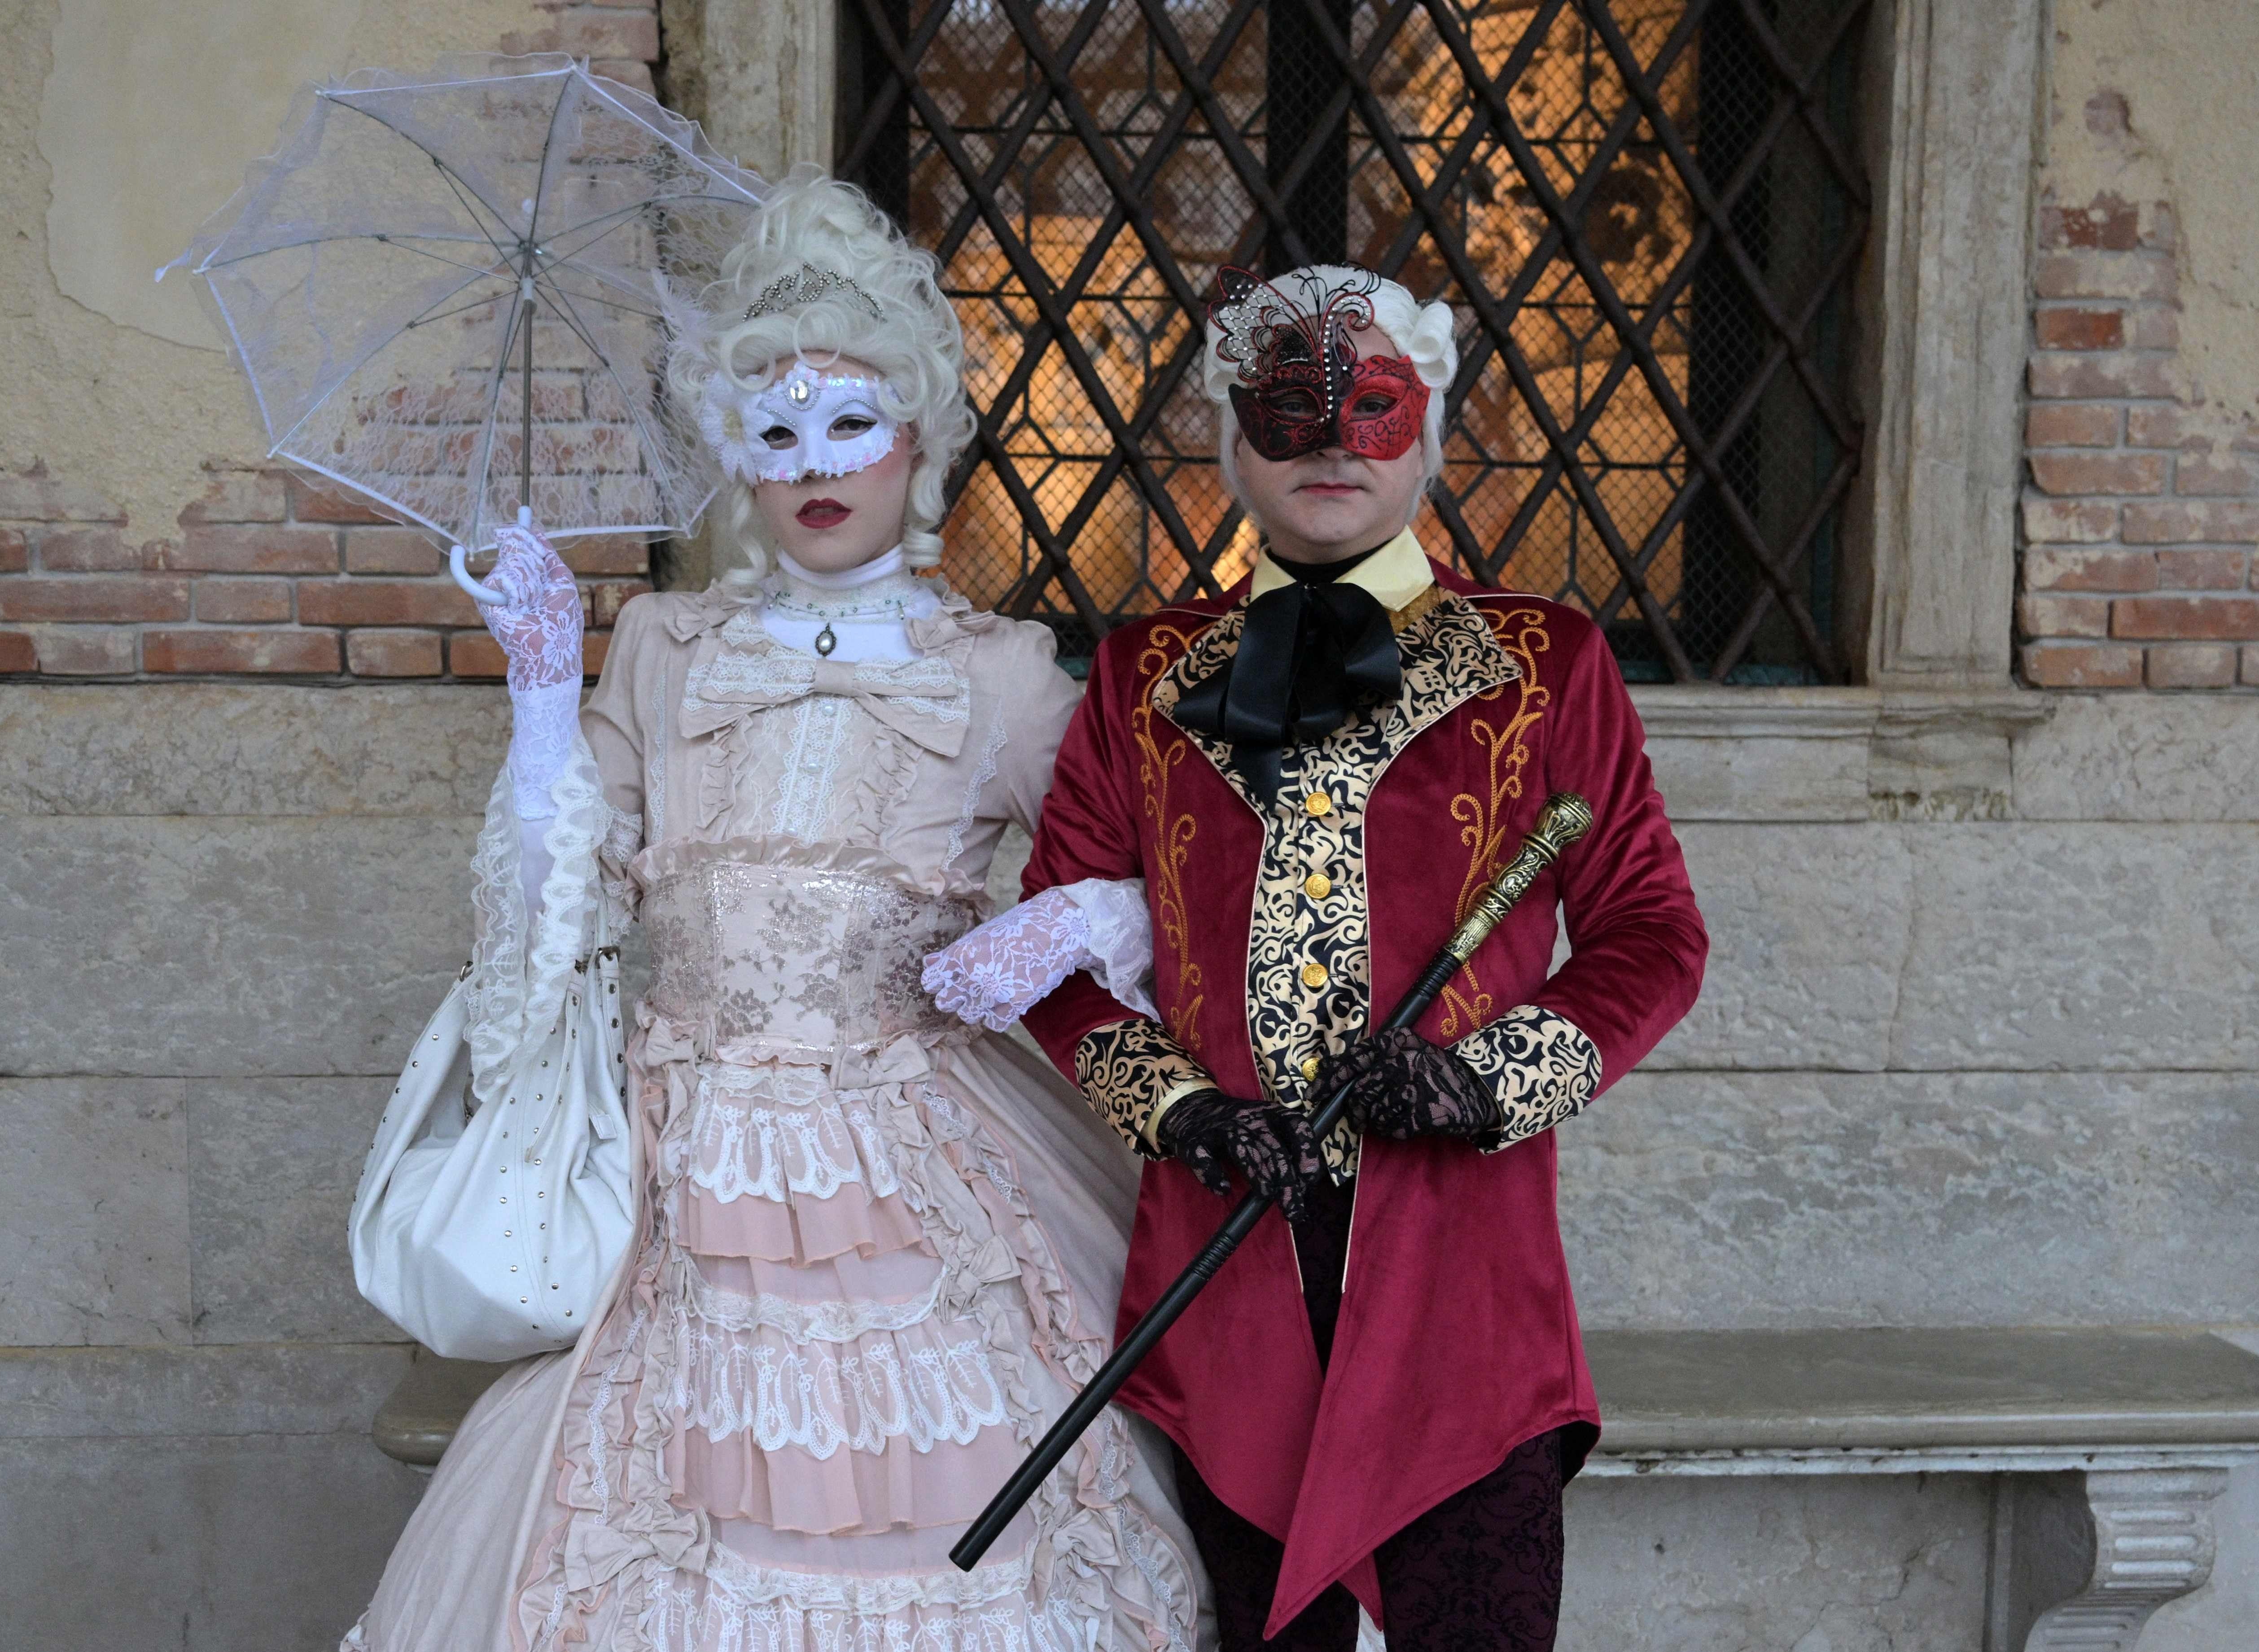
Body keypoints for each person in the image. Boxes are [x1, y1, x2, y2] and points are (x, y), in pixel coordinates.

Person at [340, 174, 1206, 1652]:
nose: (816, 463)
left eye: (849, 422)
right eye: (775, 430)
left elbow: (1177, 865)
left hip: (916, 1158)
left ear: (917, 437)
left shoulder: (997, 675)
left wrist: (1079, 923)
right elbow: (557, 901)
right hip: (678, 1156)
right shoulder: (665, 647)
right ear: (733, 455)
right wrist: (545, 694)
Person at [1008, 264, 1709, 1649]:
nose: (1331, 442)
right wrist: (1181, 1109)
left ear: (1429, 425)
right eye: (1289, 406)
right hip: (1225, 1273)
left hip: (1463, 1278)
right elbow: (1052, 954)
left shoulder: (1544, 661)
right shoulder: (1141, 675)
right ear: (1229, 435)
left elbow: (1650, 931)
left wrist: (1486, 1078)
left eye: (1371, 405)